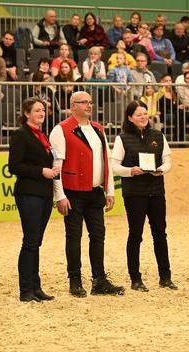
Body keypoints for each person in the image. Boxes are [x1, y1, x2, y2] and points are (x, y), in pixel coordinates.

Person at [49, 91, 125, 297]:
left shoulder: (98, 129)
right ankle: (75, 279)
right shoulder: (61, 130)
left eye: (90, 102)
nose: (89, 106)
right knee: (74, 236)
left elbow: (106, 160)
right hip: (72, 192)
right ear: (73, 105)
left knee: (98, 236)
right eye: (84, 102)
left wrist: (109, 190)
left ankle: (99, 279)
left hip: (95, 192)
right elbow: (57, 165)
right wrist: (60, 195)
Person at [111, 101, 178, 292]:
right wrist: (130, 171)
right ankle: (135, 278)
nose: (143, 117)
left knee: (160, 234)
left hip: (156, 191)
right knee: (135, 235)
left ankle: (165, 277)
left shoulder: (158, 135)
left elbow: (167, 161)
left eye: (145, 113)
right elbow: (115, 166)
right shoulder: (122, 138)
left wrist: (161, 170)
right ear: (130, 117)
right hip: (134, 194)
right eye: (139, 114)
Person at [8, 98, 60, 302]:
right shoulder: (21, 135)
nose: (42, 113)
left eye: (43, 110)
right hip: (29, 193)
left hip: (43, 193)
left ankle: (36, 286)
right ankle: (25, 290)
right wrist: (41, 171)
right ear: (27, 113)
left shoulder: (41, 136)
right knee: (30, 241)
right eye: (37, 110)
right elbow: (14, 166)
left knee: (36, 241)